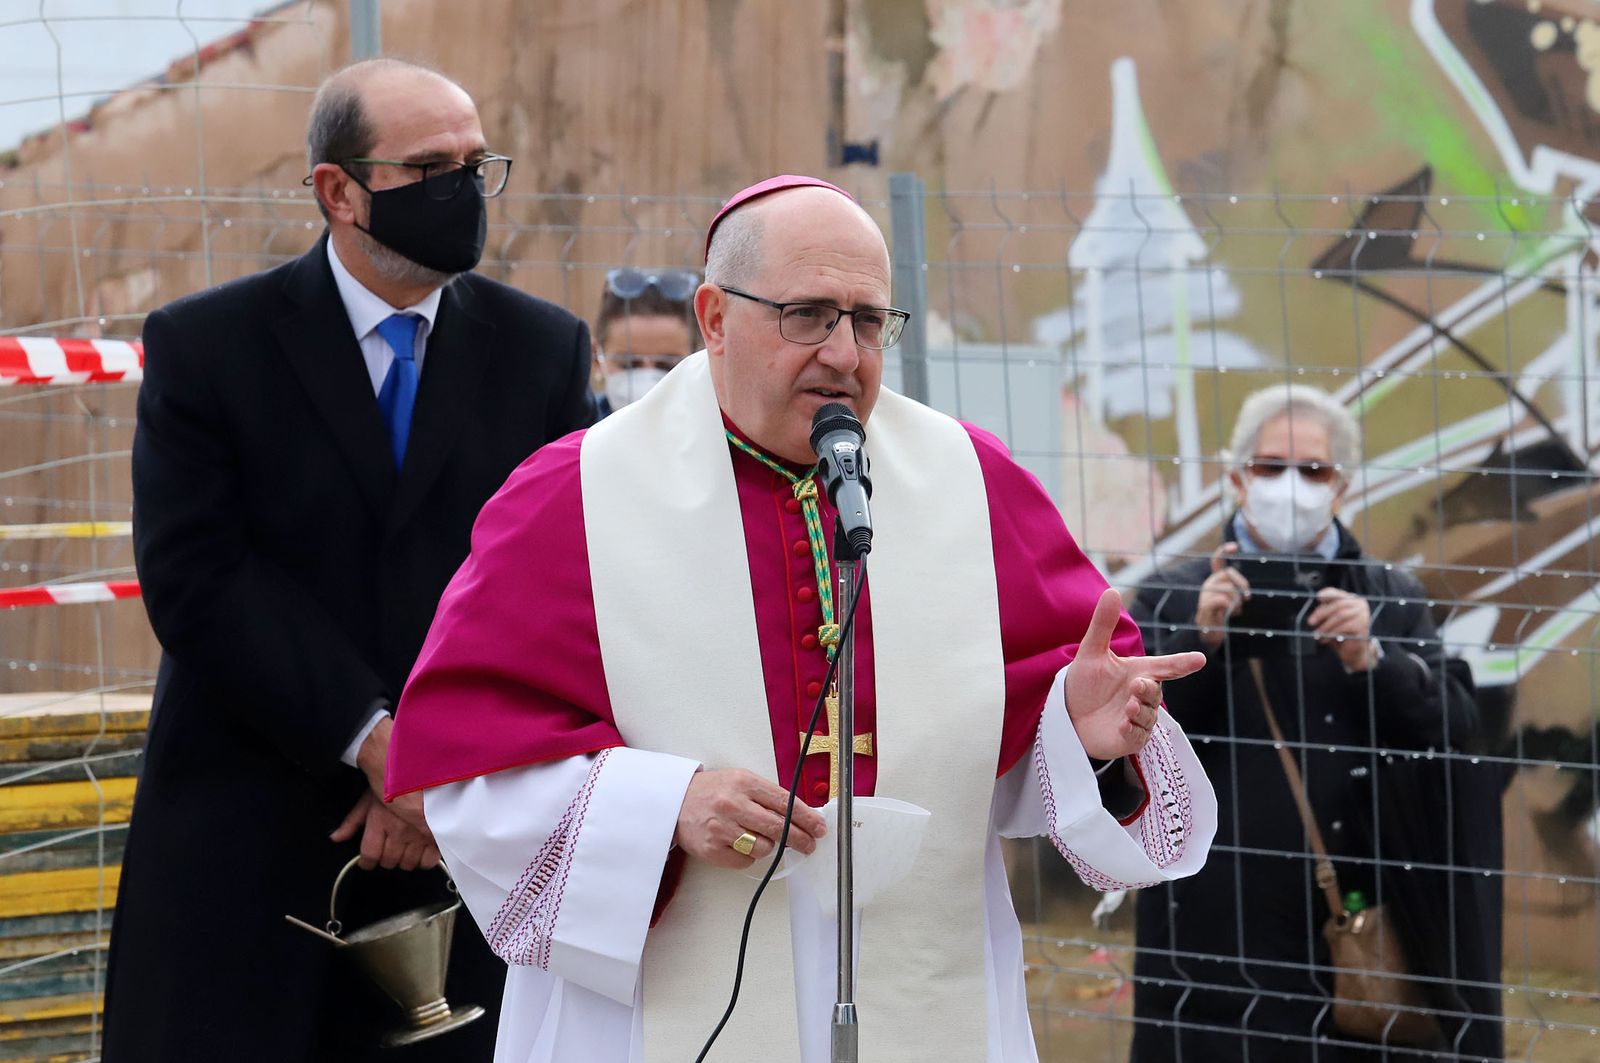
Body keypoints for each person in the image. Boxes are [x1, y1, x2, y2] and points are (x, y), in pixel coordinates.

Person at [384, 174, 1219, 1062]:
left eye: (869, 321)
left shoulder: (968, 482)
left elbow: (1014, 730)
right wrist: (663, 806)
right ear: (714, 317)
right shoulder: (578, 495)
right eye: (808, 315)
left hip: (921, 975)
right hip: (664, 993)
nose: (844, 354)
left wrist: (1076, 726)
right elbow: (467, 779)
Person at [104, 58, 595, 1061]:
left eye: (476, 165)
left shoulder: (542, 352)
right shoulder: (209, 348)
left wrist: (437, 765)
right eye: (430, 169)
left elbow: (566, 578)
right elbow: (199, 578)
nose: (463, 191)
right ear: (338, 190)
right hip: (249, 833)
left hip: (466, 839)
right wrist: (377, 743)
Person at [1128, 385, 1485, 1061]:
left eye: (1313, 470)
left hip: (1360, 915)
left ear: (1341, 486)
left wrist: (1374, 659)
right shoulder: (1171, 594)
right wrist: (1201, 639)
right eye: (1270, 466)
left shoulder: (1389, 596)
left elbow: (1453, 726)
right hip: (1213, 929)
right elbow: (1130, 743)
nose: (1290, 486)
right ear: (1237, 478)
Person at [591, 266, 700, 415]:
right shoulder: (576, 426)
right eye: (629, 364)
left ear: (698, 361)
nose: (648, 381)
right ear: (596, 359)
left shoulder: (714, 426)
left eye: (667, 365)